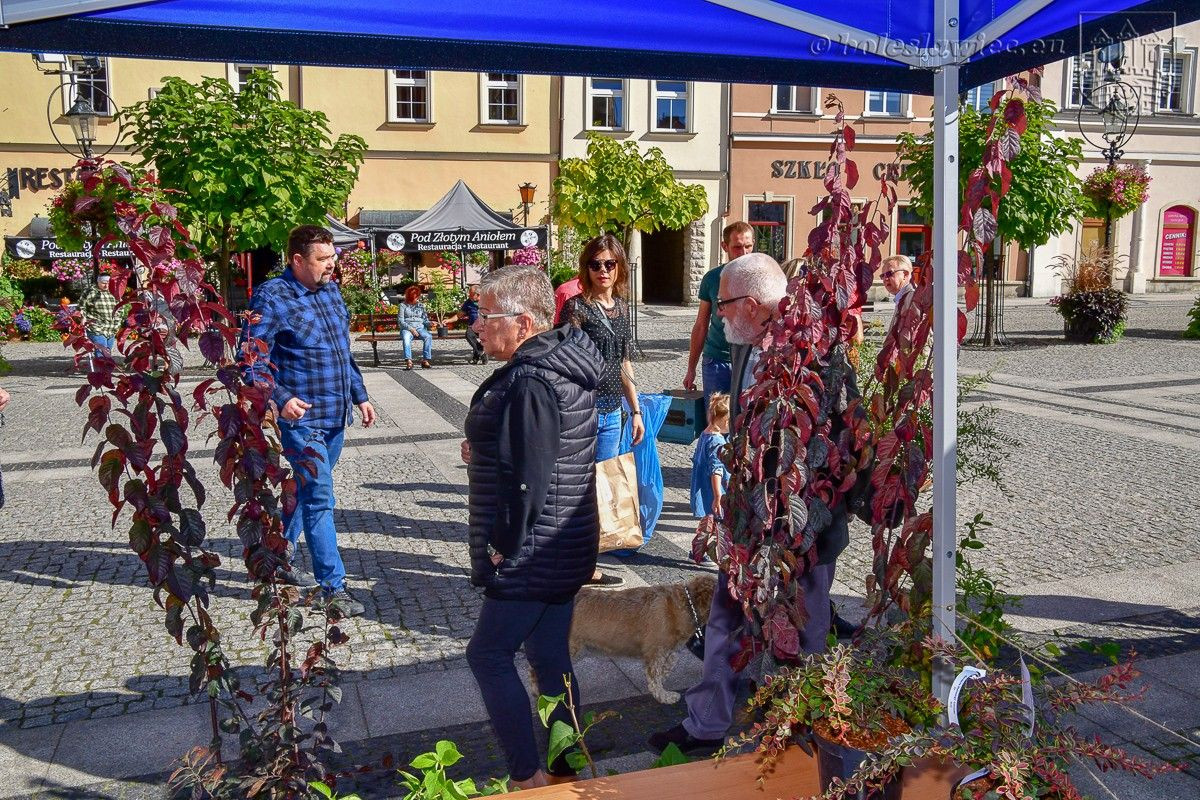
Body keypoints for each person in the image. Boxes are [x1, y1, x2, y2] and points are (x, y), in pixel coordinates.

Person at [650, 252, 860, 756]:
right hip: (747, 519)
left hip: (804, 529)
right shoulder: (745, 342)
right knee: (725, 617)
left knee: (804, 629)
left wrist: (797, 507)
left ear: (751, 303)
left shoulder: (819, 352)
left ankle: (800, 726)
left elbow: (843, 440)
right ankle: (705, 724)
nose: (717, 315)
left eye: (722, 305)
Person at [461, 265, 602, 789]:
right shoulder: (558, 362)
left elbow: (531, 478)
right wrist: (486, 446)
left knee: (488, 655)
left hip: (535, 550)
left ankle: (527, 778)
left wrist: (502, 544)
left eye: (485, 314)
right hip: (563, 541)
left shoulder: (533, 378)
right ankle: (567, 766)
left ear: (523, 323)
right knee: (548, 655)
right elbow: (545, 448)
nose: (476, 325)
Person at [247, 224, 376, 618]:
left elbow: (342, 353)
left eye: (333, 257)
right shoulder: (272, 296)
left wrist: (360, 394)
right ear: (297, 260)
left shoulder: (332, 291)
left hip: (336, 413)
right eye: (323, 259)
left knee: (306, 492)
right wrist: (280, 398)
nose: (331, 265)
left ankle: (278, 557)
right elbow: (251, 360)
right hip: (303, 420)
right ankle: (333, 588)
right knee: (320, 498)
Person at [560, 234, 645, 589]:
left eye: (610, 264)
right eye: (596, 264)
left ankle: (588, 563)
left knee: (602, 488)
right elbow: (564, 360)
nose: (603, 270)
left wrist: (635, 410)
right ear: (587, 268)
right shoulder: (576, 308)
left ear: (620, 267)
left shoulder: (622, 308)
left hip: (611, 413)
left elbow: (624, 363)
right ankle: (570, 560)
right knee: (576, 488)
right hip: (581, 409)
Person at [683, 222, 754, 403]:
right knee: (717, 417)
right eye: (737, 247)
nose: (744, 253)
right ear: (725, 246)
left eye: (748, 246)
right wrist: (691, 369)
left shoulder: (761, 278)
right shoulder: (712, 278)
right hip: (717, 360)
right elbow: (701, 325)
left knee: (747, 416)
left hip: (750, 360)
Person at [690, 392, 729, 520]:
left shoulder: (705, 434)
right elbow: (716, 471)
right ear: (726, 422)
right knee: (718, 519)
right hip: (714, 491)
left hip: (703, 486)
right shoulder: (717, 442)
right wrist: (718, 497)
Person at [79, 272, 121, 353]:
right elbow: (81, 306)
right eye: (103, 283)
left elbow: (120, 308)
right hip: (96, 328)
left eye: (108, 283)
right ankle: (101, 361)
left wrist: (117, 323)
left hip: (111, 328)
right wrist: (83, 318)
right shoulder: (90, 292)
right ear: (98, 282)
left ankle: (105, 362)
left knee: (107, 352)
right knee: (101, 352)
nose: (106, 285)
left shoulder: (114, 292)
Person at [398, 284, 435, 370]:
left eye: (417, 297)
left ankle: (425, 360)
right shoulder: (403, 306)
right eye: (415, 297)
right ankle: (409, 361)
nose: (417, 299)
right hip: (407, 328)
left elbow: (425, 320)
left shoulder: (420, 306)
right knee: (406, 338)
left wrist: (430, 323)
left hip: (419, 327)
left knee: (428, 336)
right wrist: (411, 329)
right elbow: (400, 321)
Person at [449, 284, 486, 364]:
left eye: (471, 294)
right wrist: (449, 320)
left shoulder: (487, 301)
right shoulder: (468, 303)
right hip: (473, 326)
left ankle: (476, 357)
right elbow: (458, 315)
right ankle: (481, 352)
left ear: (478, 294)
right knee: (469, 334)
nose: (469, 296)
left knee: (486, 338)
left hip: (486, 326)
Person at [882, 253, 914, 323]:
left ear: (905, 274)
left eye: (889, 273)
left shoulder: (913, 298)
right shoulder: (901, 297)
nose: (885, 279)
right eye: (882, 276)